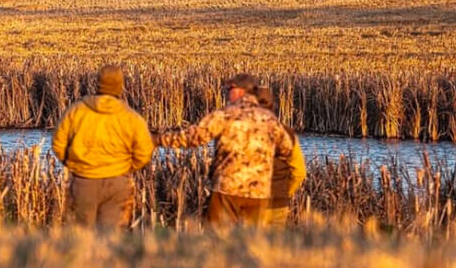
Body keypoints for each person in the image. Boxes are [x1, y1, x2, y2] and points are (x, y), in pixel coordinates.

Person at [155, 73, 295, 227]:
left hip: (227, 191)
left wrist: (157, 140)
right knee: (253, 242)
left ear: (242, 91)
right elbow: (287, 149)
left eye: (230, 88)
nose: (227, 92)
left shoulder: (226, 115)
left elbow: (193, 138)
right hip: (259, 194)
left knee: (218, 239)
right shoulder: (270, 120)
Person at [51, 64, 154, 228]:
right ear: (120, 86)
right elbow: (145, 151)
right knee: (112, 238)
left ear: (97, 83)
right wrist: (125, 168)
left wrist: (75, 166)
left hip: (83, 182)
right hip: (118, 184)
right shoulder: (131, 117)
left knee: (81, 237)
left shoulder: (76, 111)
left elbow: (58, 143)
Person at [254, 85, 306, 226]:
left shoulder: (241, 132)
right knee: (275, 245)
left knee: (248, 244)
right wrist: (284, 192)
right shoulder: (287, 133)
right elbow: (299, 173)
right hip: (278, 203)